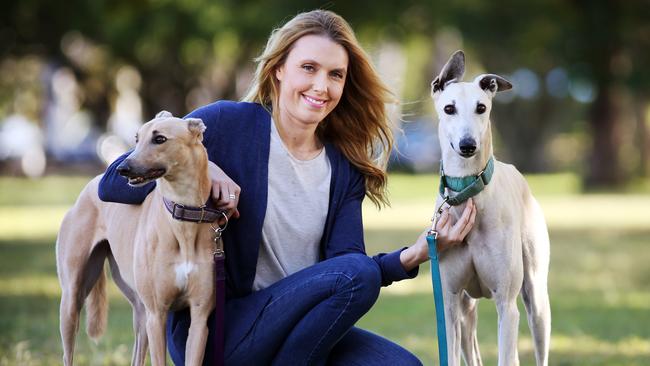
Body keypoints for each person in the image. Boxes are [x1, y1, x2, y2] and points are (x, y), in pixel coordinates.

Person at [98, 9, 476, 366]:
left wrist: (414, 255)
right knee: (356, 274)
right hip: (222, 330)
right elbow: (114, 183)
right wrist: (205, 166)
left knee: (401, 363)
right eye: (308, 68)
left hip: (300, 329)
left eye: (335, 75)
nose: (321, 85)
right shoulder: (226, 125)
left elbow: (347, 270)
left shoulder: (343, 167)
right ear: (278, 70)